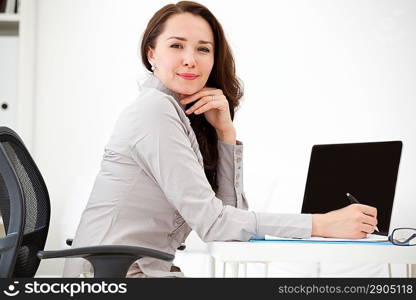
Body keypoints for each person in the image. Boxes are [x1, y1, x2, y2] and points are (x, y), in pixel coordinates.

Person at [62, 1, 378, 278]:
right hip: (112, 278)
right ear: (151, 54)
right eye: (176, 46)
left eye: (203, 49)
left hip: (141, 273)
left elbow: (229, 222)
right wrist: (320, 224)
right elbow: (217, 225)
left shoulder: (178, 115)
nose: (190, 59)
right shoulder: (153, 111)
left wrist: (226, 135)